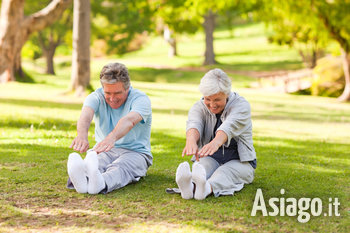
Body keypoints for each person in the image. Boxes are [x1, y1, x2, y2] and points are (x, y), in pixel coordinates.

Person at [66, 62, 152, 194]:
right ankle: (84, 182)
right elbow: (86, 115)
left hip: (136, 152)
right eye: (108, 93)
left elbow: (129, 120)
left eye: (117, 93)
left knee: (120, 167)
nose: (112, 98)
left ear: (127, 88)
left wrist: (111, 138)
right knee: (96, 162)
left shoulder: (140, 99)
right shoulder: (96, 96)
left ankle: (100, 183)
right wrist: (82, 136)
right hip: (104, 150)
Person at [176, 68, 256, 200]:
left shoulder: (241, 106)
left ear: (227, 94)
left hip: (241, 162)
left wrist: (216, 142)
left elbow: (229, 126)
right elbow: (194, 124)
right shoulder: (199, 106)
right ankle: (190, 188)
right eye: (208, 99)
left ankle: (206, 189)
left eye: (217, 100)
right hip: (212, 157)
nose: (212, 105)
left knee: (223, 172)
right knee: (202, 168)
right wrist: (190, 141)